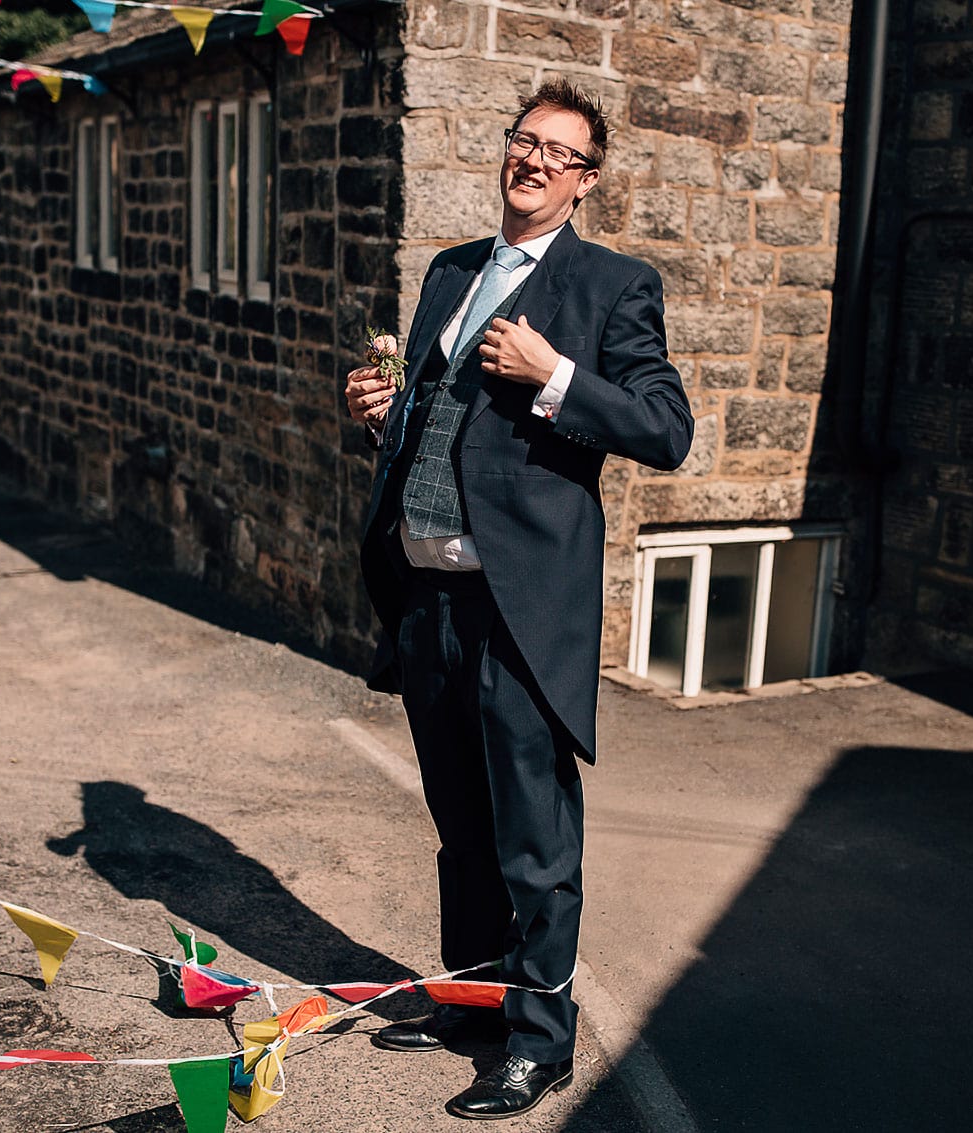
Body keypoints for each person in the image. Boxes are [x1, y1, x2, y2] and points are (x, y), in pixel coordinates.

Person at [343, 78, 692, 1120]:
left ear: (583, 180)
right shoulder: (450, 271)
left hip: (519, 605)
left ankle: (540, 1039)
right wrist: (376, 414)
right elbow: (434, 419)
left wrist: (553, 373)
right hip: (427, 592)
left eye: (557, 151)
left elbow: (663, 429)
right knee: (458, 817)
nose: (531, 160)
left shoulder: (608, 286)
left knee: (533, 840)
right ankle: (475, 996)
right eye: (522, 141)